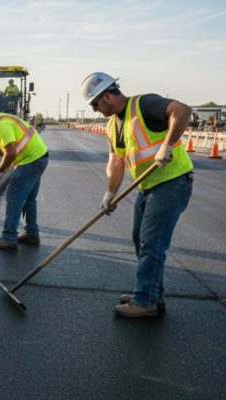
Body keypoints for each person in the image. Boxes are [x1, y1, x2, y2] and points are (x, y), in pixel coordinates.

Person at [81, 72, 193, 318]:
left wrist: (168, 144)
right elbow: (116, 162)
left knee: (151, 243)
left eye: (95, 104)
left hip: (172, 182)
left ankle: (144, 302)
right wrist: (109, 193)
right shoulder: (113, 124)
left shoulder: (144, 104)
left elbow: (183, 110)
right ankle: (153, 293)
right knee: (138, 239)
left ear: (107, 96)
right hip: (146, 187)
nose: (95, 110)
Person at [0, 102, 49, 250]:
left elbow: (10, 153)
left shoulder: (2, 125)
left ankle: (9, 238)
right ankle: (32, 234)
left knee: (14, 197)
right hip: (40, 157)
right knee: (29, 199)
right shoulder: (5, 118)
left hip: (30, 160)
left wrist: (0, 170)